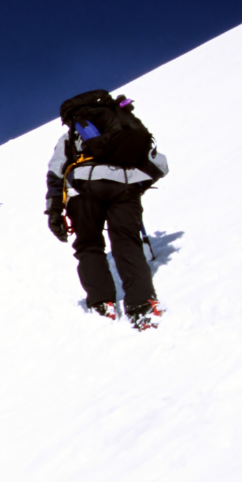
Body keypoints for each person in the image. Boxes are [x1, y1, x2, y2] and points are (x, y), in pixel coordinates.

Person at [45, 90, 168, 330]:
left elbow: (55, 173)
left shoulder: (71, 136)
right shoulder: (123, 125)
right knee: (127, 242)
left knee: (89, 244)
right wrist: (138, 184)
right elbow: (159, 164)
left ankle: (102, 304)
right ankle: (142, 304)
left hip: (83, 188)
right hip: (124, 187)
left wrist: (54, 212)